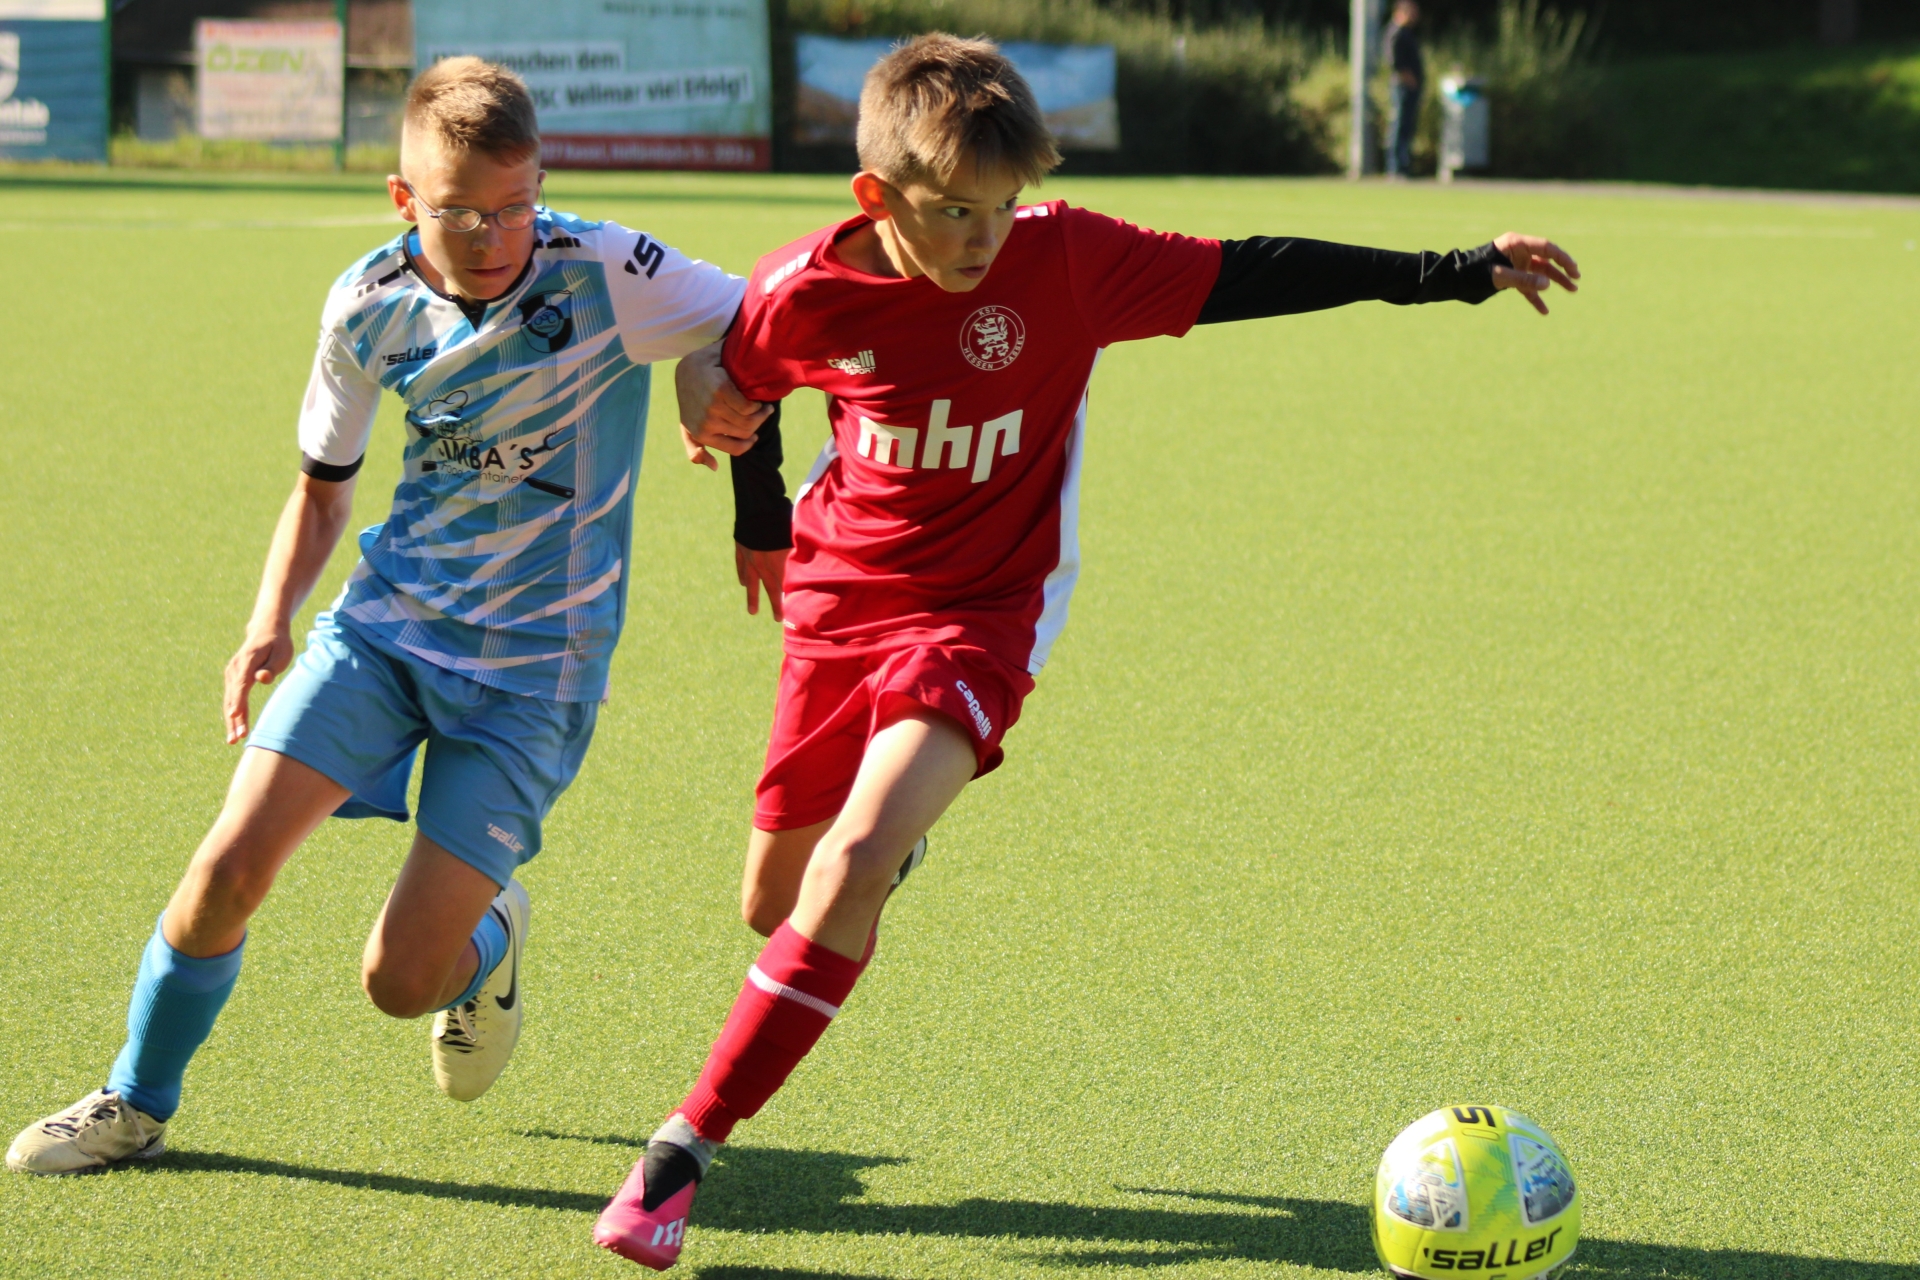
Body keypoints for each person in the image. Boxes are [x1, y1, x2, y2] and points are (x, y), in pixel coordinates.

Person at [596, 32, 1579, 1271]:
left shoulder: (1065, 259)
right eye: (954, 211)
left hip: (985, 608)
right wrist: (757, 520)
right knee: (774, 904)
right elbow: (745, 383)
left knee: (849, 864)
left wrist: (1458, 271)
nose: (983, 239)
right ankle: (888, 846)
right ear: (876, 195)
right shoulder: (802, 287)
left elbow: (1251, 269)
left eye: (1001, 207)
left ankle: (679, 1152)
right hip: (838, 603)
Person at [6, 57, 747, 1175]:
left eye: (516, 206)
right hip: (385, 631)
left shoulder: (604, 268)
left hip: (536, 673)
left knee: (400, 983)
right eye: (460, 213)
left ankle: (489, 937)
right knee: (226, 869)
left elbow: (772, 311)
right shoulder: (367, 302)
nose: (494, 237)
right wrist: (269, 620)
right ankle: (134, 1101)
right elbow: (322, 487)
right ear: (405, 201)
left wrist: (709, 365)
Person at [1383, 0, 1425, 177]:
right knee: (1399, 125)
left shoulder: (1406, 32)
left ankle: (1403, 165)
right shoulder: (1396, 32)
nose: (1415, 16)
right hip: (1402, 87)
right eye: (1411, 12)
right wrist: (1410, 80)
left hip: (1409, 87)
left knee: (1407, 127)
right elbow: (1395, 62)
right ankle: (1395, 167)